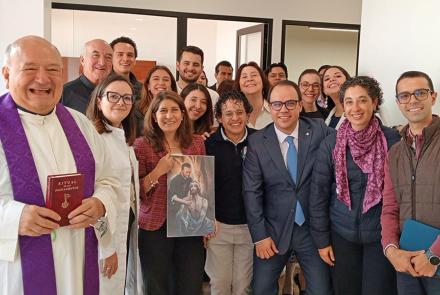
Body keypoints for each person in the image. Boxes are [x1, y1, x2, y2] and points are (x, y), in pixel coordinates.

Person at [0, 35, 118, 295]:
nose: (42, 79)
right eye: (30, 69)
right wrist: (14, 218)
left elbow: (108, 180)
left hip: (77, 259)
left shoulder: (80, 124)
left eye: (53, 70)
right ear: (7, 74)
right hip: (16, 268)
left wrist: (100, 204)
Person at [310, 76, 399, 295]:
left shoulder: (393, 140)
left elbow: (400, 193)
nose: (355, 108)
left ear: (374, 102)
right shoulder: (332, 143)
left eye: (362, 100)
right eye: (349, 101)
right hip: (341, 234)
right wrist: (322, 241)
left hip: (380, 236)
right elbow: (318, 194)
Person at [243, 80, 334, 295]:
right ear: (269, 106)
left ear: (300, 105)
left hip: (312, 231)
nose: (284, 109)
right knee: (261, 289)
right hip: (272, 231)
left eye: (290, 103)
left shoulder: (319, 130)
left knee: (322, 290)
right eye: (277, 104)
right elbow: (251, 192)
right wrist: (260, 236)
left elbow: (348, 140)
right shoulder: (257, 142)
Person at [134, 91, 207, 295]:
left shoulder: (196, 142)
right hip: (155, 227)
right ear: (154, 116)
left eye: (175, 110)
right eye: (163, 110)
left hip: (189, 225)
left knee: (190, 284)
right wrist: (158, 170)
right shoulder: (142, 146)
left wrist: (207, 219)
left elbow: (203, 182)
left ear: (183, 114)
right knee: (156, 285)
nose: (169, 115)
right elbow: (136, 191)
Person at [381, 70, 440, 295]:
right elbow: (390, 208)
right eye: (404, 96)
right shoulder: (395, 152)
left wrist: (433, 256)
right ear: (398, 103)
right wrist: (391, 250)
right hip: (406, 262)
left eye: (420, 93)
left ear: (433, 97)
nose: (412, 100)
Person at [86, 74, 141, 294]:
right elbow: (94, 198)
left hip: (125, 226)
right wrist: (107, 247)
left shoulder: (123, 138)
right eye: (114, 96)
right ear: (99, 101)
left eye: (127, 98)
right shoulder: (92, 138)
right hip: (103, 237)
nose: (121, 102)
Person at [205, 90, 255, 295]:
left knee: (243, 286)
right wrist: (206, 219)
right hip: (218, 227)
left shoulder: (260, 141)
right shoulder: (208, 145)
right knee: (220, 284)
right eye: (229, 114)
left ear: (247, 114)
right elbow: (202, 185)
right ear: (219, 118)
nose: (235, 118)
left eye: (240, 112)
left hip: (250, 227)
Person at [62, 39, 113, 114]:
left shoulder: (117, 93)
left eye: (108, 57)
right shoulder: (64, 94)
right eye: (96, 55)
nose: (102, 63)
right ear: (82, 60)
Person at [135, 65, 177, 136]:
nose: (161, 83)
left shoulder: (179, 108)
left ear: (171, 87)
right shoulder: (136, 109)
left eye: (166, 79)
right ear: (148, 86)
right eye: (156, 79)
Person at [234, 62, 272, 129]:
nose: (249, 79)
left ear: (263, 81)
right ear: (239, 85)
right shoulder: (233, 115)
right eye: (244, 76)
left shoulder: (275, 110)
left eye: (254, 75)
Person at [109, 36, 144, 102]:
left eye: (130, 55)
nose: (125, 59)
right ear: (111, 58)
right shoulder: (100, 85)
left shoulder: (142, 89)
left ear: (135, 60)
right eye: (120, 54)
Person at [168, 162, 194, 234]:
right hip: (173, 207)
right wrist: (186, 202)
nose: (188, 174)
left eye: (189, 172)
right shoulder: (174, 180)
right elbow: (174, 198)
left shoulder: (190, 179)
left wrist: (189, 197)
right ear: (182, 171)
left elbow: (189, 192)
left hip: (184, 204)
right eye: (186, 172)